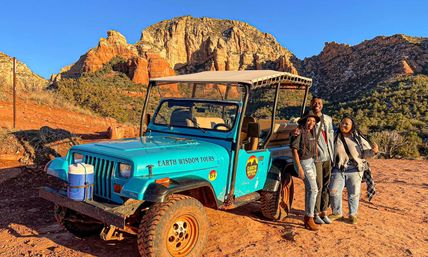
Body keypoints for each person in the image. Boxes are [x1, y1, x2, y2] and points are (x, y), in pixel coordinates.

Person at [329, 116, 379, 224]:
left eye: (346, 123)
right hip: (338, 168)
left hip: (355, 169)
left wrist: (373, 151)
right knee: (333, 191)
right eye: (342, 123)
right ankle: (337, 213)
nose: (343, 125)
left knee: (354, 193)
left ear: (352, 126)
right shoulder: (334, 136)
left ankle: (353, 214)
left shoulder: (358, 138)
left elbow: (365, 154)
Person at [290, 111, 320, 231]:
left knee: (311, 189)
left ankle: (309, 215)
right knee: (313, 189)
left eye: (313, 121)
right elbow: (294, 150)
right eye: (309, 120)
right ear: (304, 121)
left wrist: (316, 154)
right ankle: (309, 218)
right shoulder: (299, 132)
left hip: (311, 161)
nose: (311, 123)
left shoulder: (311, 131)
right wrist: (300, 168)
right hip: (304, 163)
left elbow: (313, 144)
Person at [310, 97, 335, 225]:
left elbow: (331, 138)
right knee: (318, 186)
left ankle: (324, 211)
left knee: (326, 186)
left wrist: (333, 155)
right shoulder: (308, 119)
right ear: (311, 104)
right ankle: (315, 213)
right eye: (314, 103)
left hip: (328, 157)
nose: (317, 105)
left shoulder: (328, 119)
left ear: (322, 105)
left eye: (319, 103)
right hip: (317, 158)